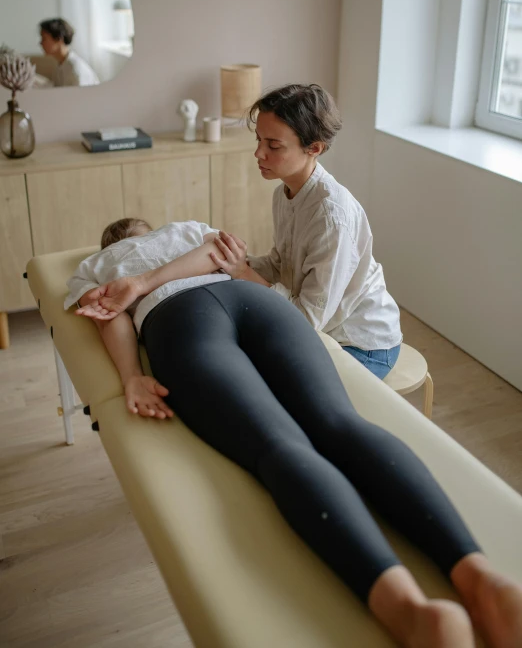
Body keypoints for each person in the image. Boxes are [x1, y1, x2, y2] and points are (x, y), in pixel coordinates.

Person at [68, 218, 522, 648]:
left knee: (280, 446)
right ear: (149, 227)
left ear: (110, 243)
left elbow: (110, 314)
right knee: (341, 424)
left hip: (181, 321)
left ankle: (409, 608)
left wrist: (131, 375)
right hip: (257, 303)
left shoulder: (96, 264)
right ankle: (482, 580)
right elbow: (220, 254)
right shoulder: (184, 229)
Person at [209, 84, 402, 380]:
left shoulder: (331, 218)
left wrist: (243, 273)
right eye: (259, 140)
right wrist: (236, 261)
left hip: (360, 343)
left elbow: (306, 320)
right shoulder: (284, 194)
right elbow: (281, 265)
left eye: (273, 145)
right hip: (322, 328)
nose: (258, 153)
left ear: (314, 148)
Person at [39, 18, 100, 87]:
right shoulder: (60, 65)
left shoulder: (74, 68)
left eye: (44, 38)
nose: (40, 43)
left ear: (59, 39)